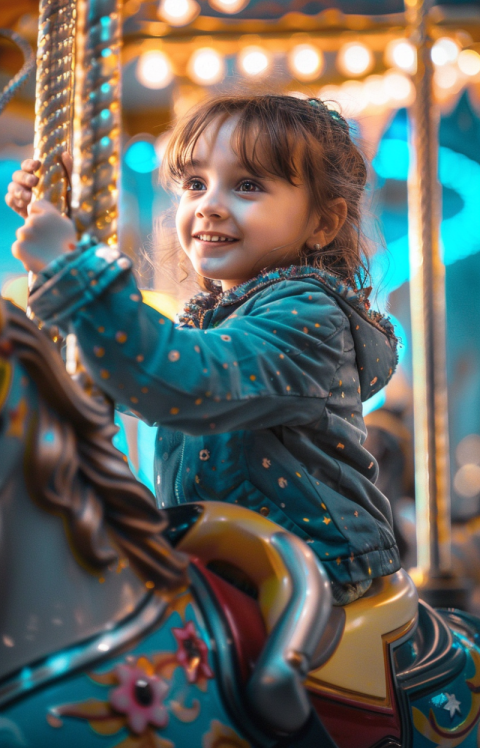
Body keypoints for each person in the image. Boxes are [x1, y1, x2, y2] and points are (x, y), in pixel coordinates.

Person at [7, 94, 400, 605]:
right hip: (227, 558)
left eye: (248, 185)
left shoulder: (308, 316)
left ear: (323, 223)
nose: (209, 204)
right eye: (195, 183)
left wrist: (73, 271)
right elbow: (121, 378)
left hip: (313, 570)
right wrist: (68, 231)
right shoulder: (222, 318)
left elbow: (184, 382)